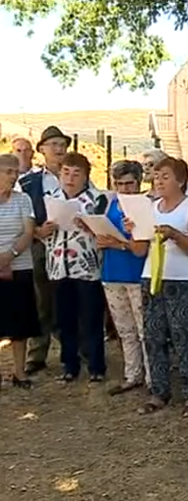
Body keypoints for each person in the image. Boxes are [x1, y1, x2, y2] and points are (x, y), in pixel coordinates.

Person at [135, 157, 188, 418]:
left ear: (180, 180)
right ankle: (159, 390)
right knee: (153, 336)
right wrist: (131, 233)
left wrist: (176, 235)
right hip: (152, 276)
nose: (159, 181)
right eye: (156, 176)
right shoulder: (151, 207)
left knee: (183, 337)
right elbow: (140, 249)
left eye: (165, 176)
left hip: (182, 279)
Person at [36, 152, 108, 383]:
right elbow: (38, 231)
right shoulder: (50, 198)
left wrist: (90, 227)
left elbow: (105, 231)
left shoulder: (96, 199)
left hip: (86, 267)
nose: (70, 178)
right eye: (66, 172)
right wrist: (42, 231)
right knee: (64, 318)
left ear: (86, 177)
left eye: (76, 174)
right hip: (58, 266)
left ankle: (96, 366)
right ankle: (69, 365)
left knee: (90, 318)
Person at [96, 160, 151, 395]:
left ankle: (152, 377)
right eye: (120, 184)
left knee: (144, 330)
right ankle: (132, 373)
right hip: (112, 273)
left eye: (130, 184)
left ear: (139, 183)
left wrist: (117, 244)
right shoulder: (110, 203)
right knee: (125, 330)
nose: (125, 189)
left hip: (137, 274)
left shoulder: (145, 205)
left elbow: (141, 248)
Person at [20, 125, 71, 375]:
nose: (59, 149)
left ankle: (71, 351)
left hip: (70, 245)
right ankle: (37, 353)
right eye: (54, 145)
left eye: (62, 145)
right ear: (41, 150)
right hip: (41, 245)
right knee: (40, 299)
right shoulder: (29, 182)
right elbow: (21, 212)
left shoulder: (76, 175)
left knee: (69, 298)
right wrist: (37, 231)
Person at [0, 153, 42, 388]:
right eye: (8, 172)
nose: (14, 176)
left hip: (20, 265)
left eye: (16, 172)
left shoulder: (23, 199)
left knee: (19, 322)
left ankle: (20, 372)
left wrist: (10, 255)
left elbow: (28, 232)